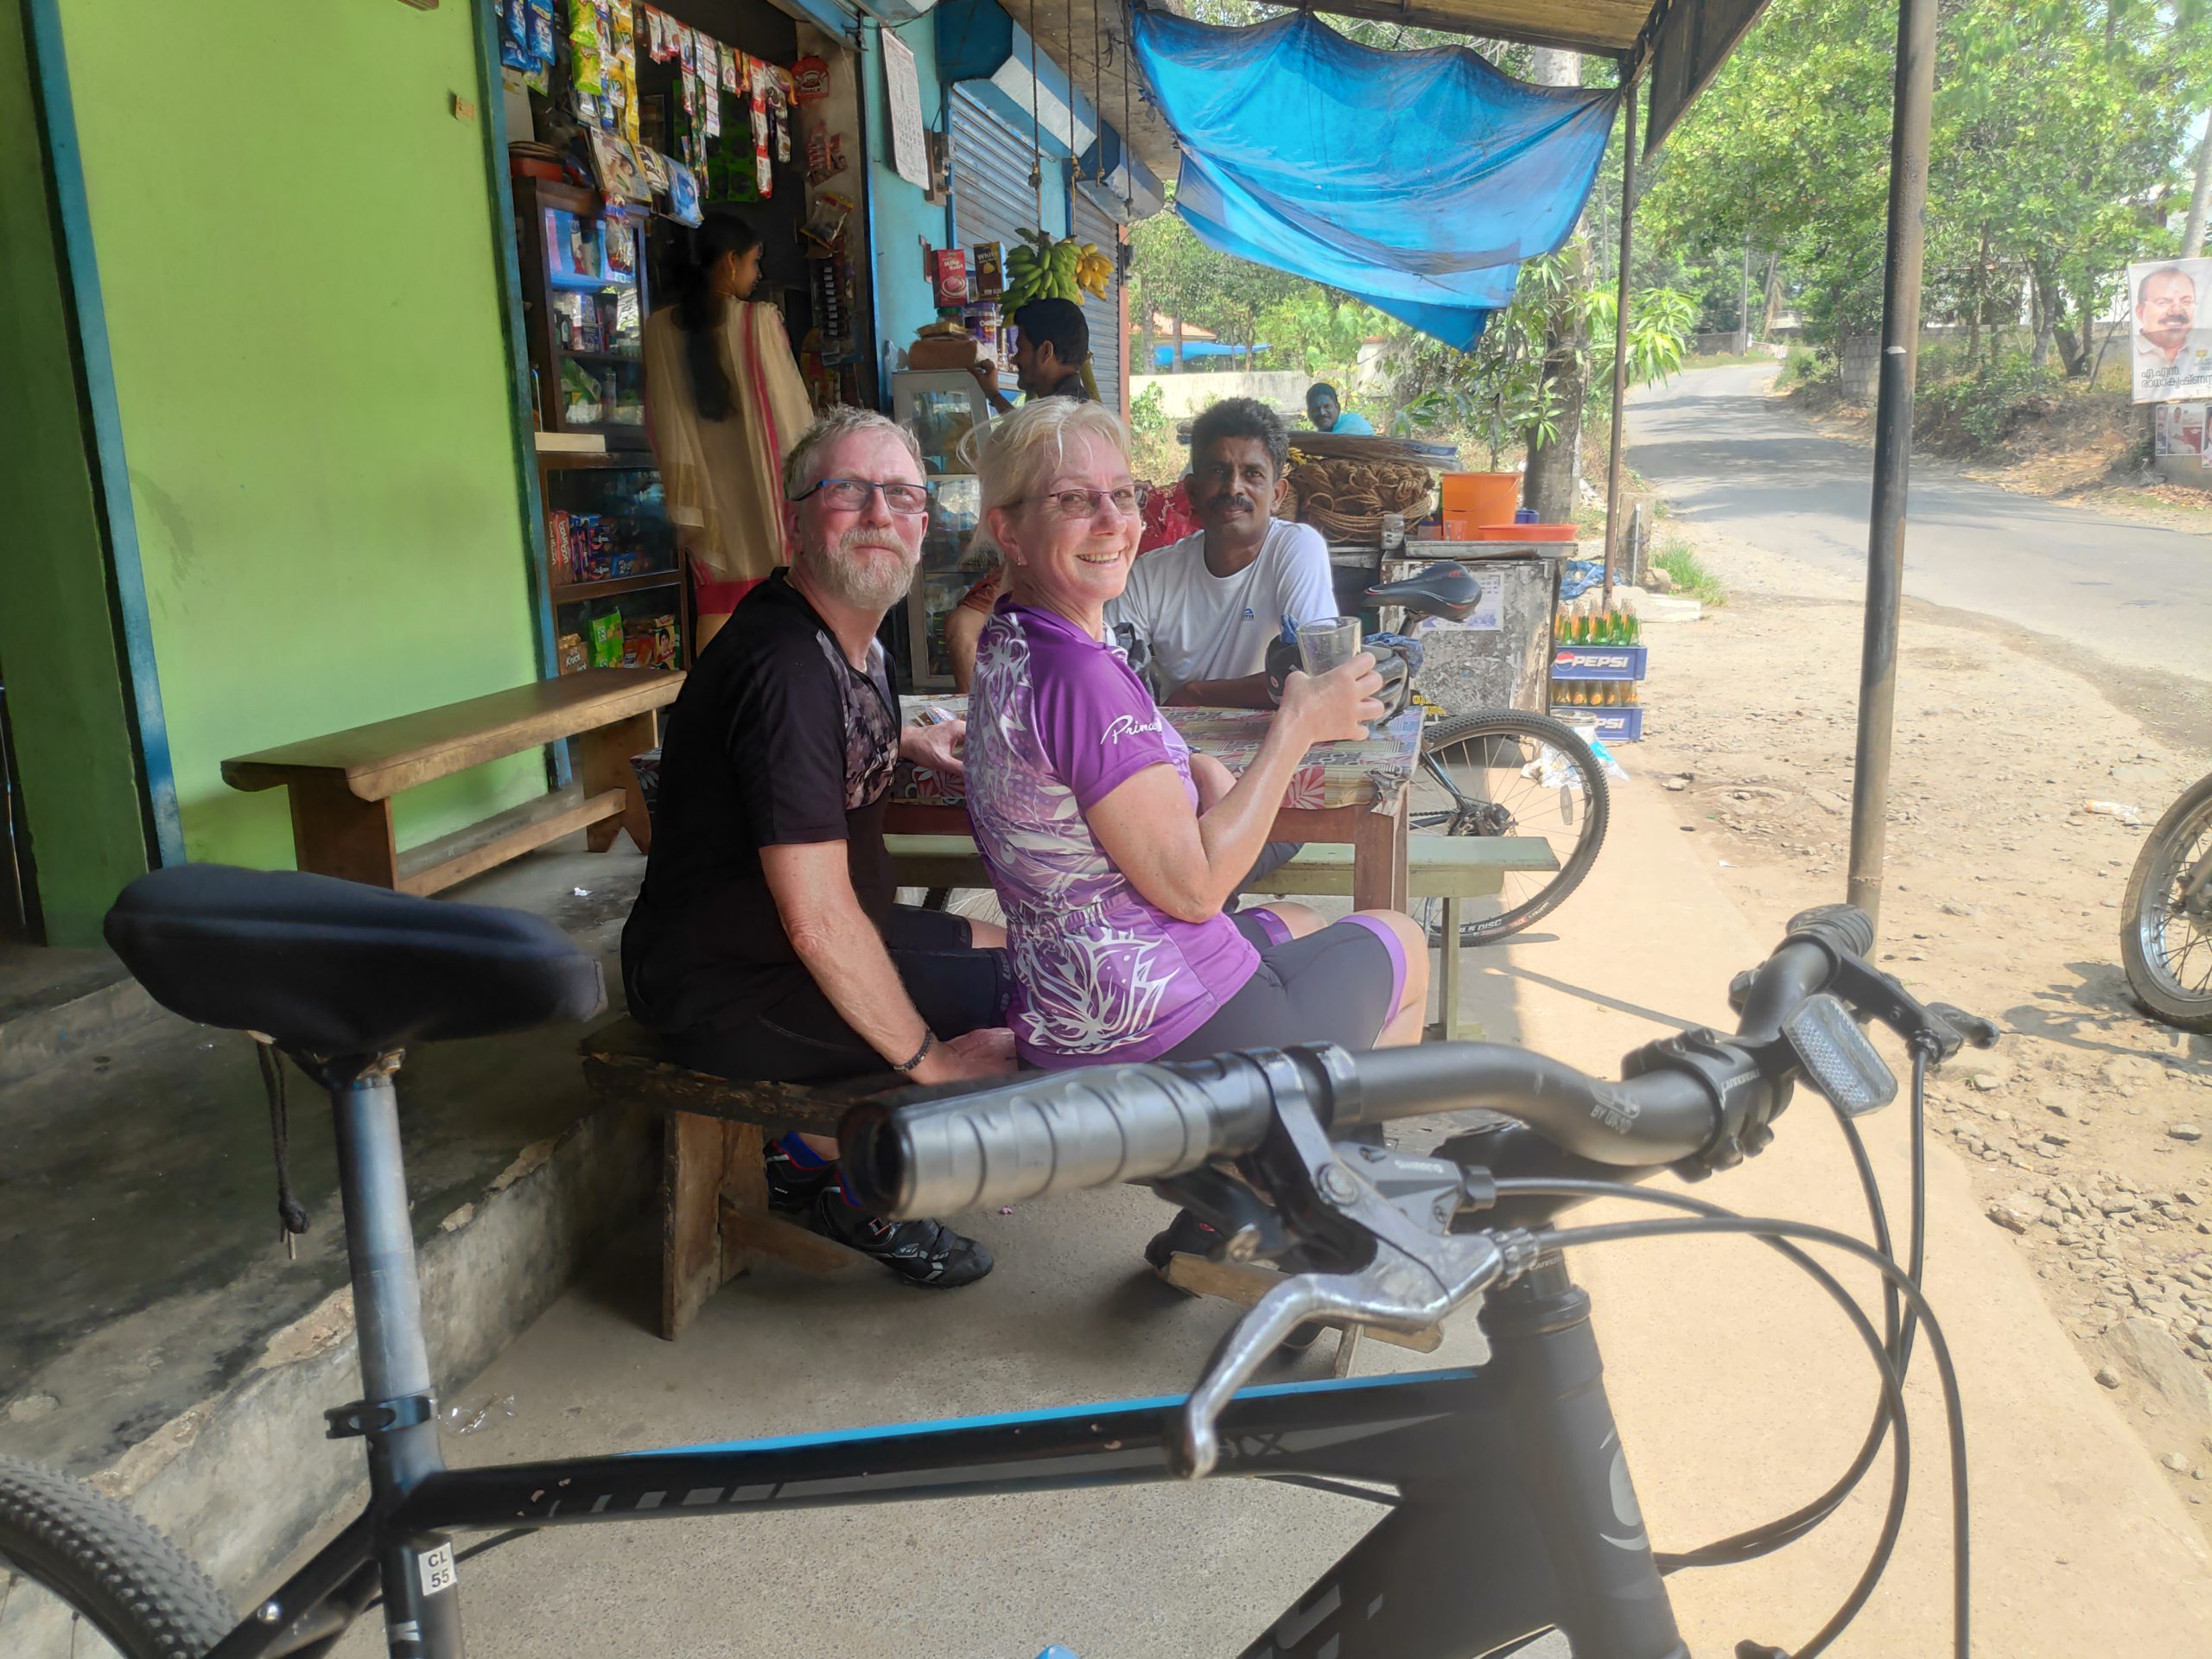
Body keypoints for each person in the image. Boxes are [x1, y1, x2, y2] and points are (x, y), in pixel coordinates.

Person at [960, 397, 1430, 1267]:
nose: (1111, 522)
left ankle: (1231, 1212)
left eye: (1121, 495)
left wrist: (1208, 778)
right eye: (1073, 500)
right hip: (1156, 1036)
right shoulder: (1082, 679)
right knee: (1399, 940)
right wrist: (1296, 728)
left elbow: (1147, 787)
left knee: (1300, 921)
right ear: (1009, 531)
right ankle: (1327, 1220)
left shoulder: (1014, 642)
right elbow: (1200, 890)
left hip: (1067, 1008)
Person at [621, 406, 1014, 1287]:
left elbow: (815, 746)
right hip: (730, 990)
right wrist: (932, 1065)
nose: (879, 513)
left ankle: (800, 1157)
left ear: (924, 523)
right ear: (794, 517)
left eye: (902, 495)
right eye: (848, 490)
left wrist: (901, 740)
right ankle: (861, 1190)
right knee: (1049, 1006)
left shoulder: (847, 638)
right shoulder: (785, 669)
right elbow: (818, 921)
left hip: (799, 950)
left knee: (1030, 959)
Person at [641, 211, 814, 652]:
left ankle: (713, 695)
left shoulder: (658, 329)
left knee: (716, 605)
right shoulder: (757, 322)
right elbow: (793, 417)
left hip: (707, 505)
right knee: (785, 604)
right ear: (730, 261)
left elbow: (660, 420)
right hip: (764, 500)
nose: (757, 275)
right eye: (754, 262)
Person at [1106, 397, 1336, 708]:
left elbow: (1319, 672)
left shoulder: (1296, 548)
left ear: (1276, 496)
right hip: (1182, 737)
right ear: (1192, 492)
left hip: (1278, 729)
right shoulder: (1150, 575)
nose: (1233, 488)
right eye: (1218, 471)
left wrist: (1196, 694)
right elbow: (1101, 668)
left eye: (1252, 474)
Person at [969, 296, 1093, 414]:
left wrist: (994, 395)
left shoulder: (1062, 417)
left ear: (1046, 352)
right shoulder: (1078, 408)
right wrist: (993, 394)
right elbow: (1022, 425)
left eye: (1020, 349)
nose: (1014, 360)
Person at [2133, 264, 2211, 398]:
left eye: (2186, 302)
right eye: (2163, 302)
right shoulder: (2127, 358)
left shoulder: (2207, 351)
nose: (2176, 311)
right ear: (2141, 312)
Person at [1306, 382, 1374, 435]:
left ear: (1338, 408)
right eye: (1316, 409)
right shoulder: (1320, 435)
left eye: (1327, 407)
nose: (1322, 412)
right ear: (1309, 414)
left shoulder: (1354, 424)